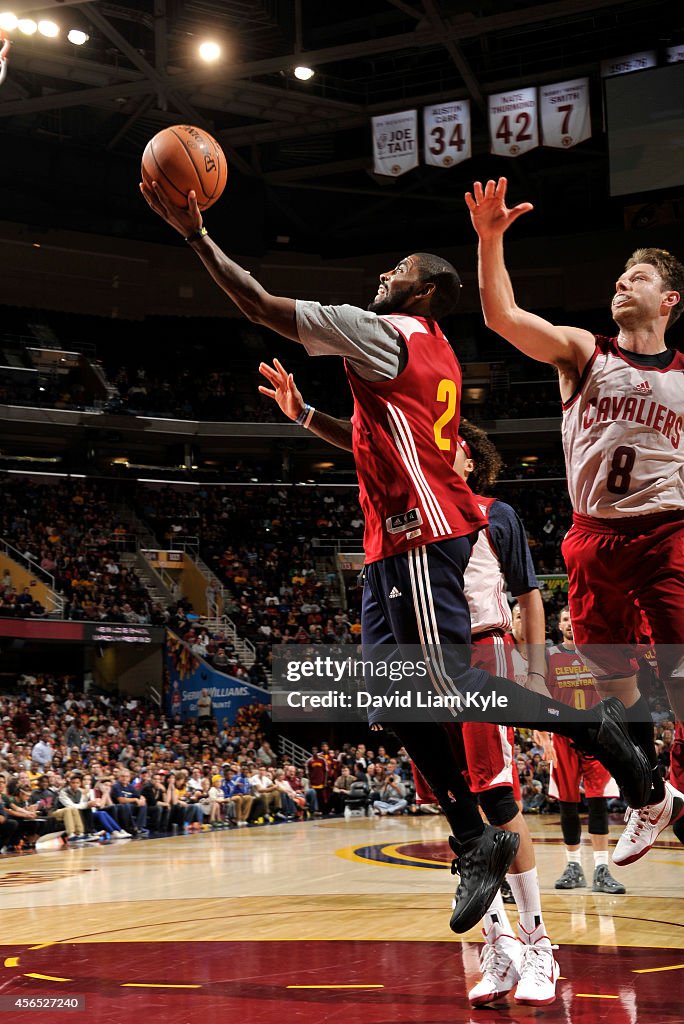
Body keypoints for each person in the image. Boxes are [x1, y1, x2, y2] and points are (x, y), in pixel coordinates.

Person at [141, 178, 650, 933]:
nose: (384, 274)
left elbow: (258, 303)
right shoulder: (427, 353)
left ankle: (579, 744)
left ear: (429, 291)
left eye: (400, 268)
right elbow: (371, 442)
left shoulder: (386, 334)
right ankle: (480, 833)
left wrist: (194, 234)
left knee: (450, 689)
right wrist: (306, 413)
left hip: (421, 540)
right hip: (393, 552)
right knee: (397, 701)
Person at [466, 175, 684, 865]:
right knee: (613, 699)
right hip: (594, 535)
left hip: (668, 530)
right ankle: (648, 795)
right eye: (619, 276)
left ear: (669, 300)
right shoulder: (583, 351)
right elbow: (503, 317)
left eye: (638, 277)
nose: (622, 284)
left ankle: (673, 783)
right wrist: (491, 241)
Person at [543, 608, 626, 895]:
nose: (568, 623)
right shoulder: (548, 656)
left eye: (572, 619)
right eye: (564, 619)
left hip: (597, 735)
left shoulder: (596, 655)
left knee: (598, 801)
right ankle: (573, 866)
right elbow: (540, 695)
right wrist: (542, 734)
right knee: (566, 803)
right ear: (559, 624)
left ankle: (602, 869)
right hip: (563, 736)